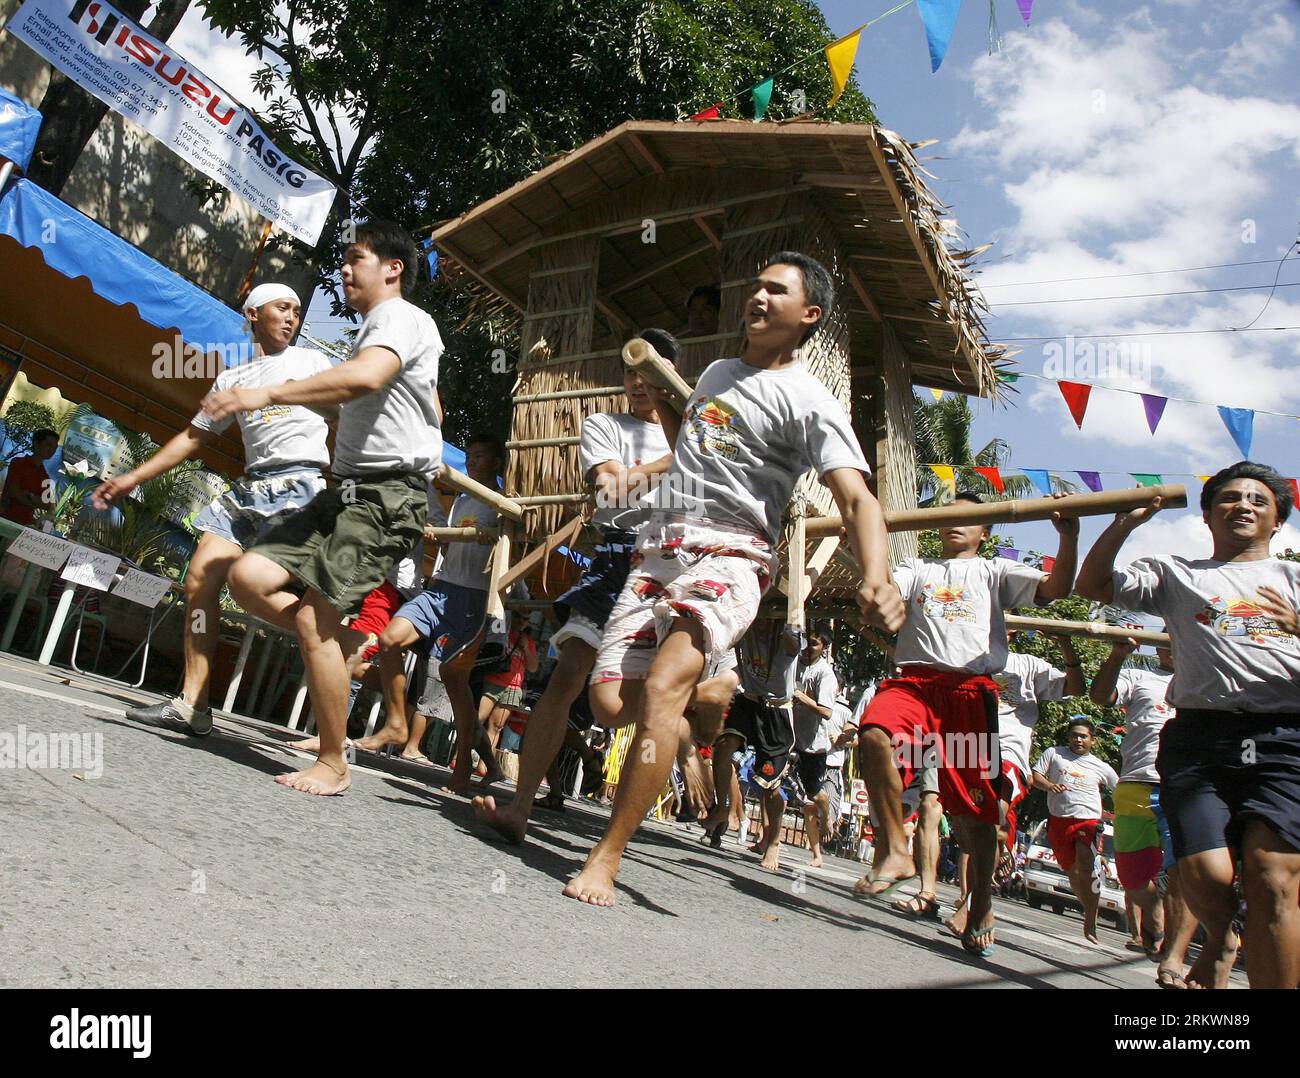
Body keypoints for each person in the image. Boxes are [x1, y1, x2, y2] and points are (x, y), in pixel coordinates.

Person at [566, 251, 904, 906]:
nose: (757, 295)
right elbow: (693, 458)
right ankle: (688, 727)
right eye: (754, 285)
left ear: (808, 315)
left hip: (733, 557)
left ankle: (605, 858)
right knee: (611, 706)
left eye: (775, 290)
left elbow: (859, 499)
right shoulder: (717, 373)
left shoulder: (810, 401)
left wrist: (878, 575)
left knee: (662, 686)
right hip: (660, 550)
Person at [203, 220, 441, 796]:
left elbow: (365, 378)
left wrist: (267, 392)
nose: (344, 269)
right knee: (248, 576)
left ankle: (334, 763)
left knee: (314, 619)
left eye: (355, 258)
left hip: (385, 496)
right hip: (346, 490)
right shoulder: (384, 329)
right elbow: (417, 399)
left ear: (392, 269)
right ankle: (343, 646)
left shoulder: (398, 316)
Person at [1076, 461, 1300, 988]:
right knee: (1207, 876)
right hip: (1200, 740)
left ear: (1276, 523)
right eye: (1229, 498)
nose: (1243, 505)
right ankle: (1222, 934)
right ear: (1207, 515)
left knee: (1273, 881)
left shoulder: (1294, 578)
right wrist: (1124, 524)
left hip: (1285, 740)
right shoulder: (1176, 574)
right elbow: (1092, 585)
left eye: (1258, 500)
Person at [94, 284, 330, 736]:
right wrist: (131, 477)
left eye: (298, 312)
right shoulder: (230, 379)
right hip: (250, 486)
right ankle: (194, 704)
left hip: (299, 484)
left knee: (255, 587)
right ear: (253, 312)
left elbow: (348, 411)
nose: (292, 318)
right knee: (200, 578)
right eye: (283, 308)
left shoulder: (312, 363)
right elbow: (193, 437)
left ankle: (321, 635)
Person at [472, 329, 680, 842]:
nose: (636, 382)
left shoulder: (697, 430)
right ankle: (520, 807)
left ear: (668, 377)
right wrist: (676, 462)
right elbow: (611, 487)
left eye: (647, 372)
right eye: (629, 372)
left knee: (664, 699)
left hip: (674, 563)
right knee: (567, 676)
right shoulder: (604, 425)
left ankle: (617, 840)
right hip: (614, 555)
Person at [856, 489, 1078, 958]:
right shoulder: (919, 567)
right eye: (948, 515)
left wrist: (1069, 534)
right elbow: (884, 588)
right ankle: (896, 848)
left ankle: (980, 906)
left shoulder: (995, 571)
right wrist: (861, 543)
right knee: (874, 732)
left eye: (970, 518)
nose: (956, 523)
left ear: (986, 530)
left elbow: (1057, 590)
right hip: (915, 683)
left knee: (973, 818)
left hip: (968, 694)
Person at [944, 635, 1085, 935]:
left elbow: (1075, 688)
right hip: (966, 748)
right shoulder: (967, 654)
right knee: (969, 828)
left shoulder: (1029, 665)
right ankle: (977, 898)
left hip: (1007, 754)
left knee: (991, 819)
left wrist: (1066, 646)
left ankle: (974, 906)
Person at [1090, 633, 1199, 986]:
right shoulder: (1139, 678)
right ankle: (1153, 913)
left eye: (1176, 635)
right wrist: (1117, 656)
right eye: (1164, 635)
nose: (1170, 642)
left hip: (1184, 786)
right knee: (1134, 878)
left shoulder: (1204, 675)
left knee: (1183, 872)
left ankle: (1173, 954)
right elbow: (1100, 697)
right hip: (1136, 784)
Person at [705, 621, 801, 871]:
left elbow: (794, 642)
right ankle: (723, 807)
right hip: (747, 701)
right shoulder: (746, 622)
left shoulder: (788, 629)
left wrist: (793, 618)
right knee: (724, 747)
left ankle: (773, 842)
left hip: (776, 710)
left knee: (770, 785)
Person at [1032, 717, 1119, 944]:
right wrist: (1050, 786)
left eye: (1083, 736)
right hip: (1059, 821)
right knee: (1072, 873)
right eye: (1074, 735)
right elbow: (1036, 777)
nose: (1078, 739)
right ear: (1068, 737)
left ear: (1093, 741)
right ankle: (1087, 907)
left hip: (1088, 821)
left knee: (1086, 859)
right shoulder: (1054, 753)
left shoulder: (1102, 767)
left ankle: (1091, 919)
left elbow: (1118, 788)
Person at [791, 627, 839, 867]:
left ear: (824, 648)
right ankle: (767, 840)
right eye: (806, 642)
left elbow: (827, 712)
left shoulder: (825, 674)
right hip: (790, 737)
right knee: (769, 783)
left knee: (813, 794)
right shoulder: (794, 662)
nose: (808, 648)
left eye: (814, 644)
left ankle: (827, 816)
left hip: (812, 744)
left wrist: (801, 697)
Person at [2, 427, 58, 525]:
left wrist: (29, 495)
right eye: (48, 445)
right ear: (36, 444)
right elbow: (14, 492)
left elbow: (46, 504)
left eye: (55, 448)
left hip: (25, 523)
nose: (51, 450)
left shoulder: (44, 475)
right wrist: (35, 500)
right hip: (6, 517)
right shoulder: (18, 463)